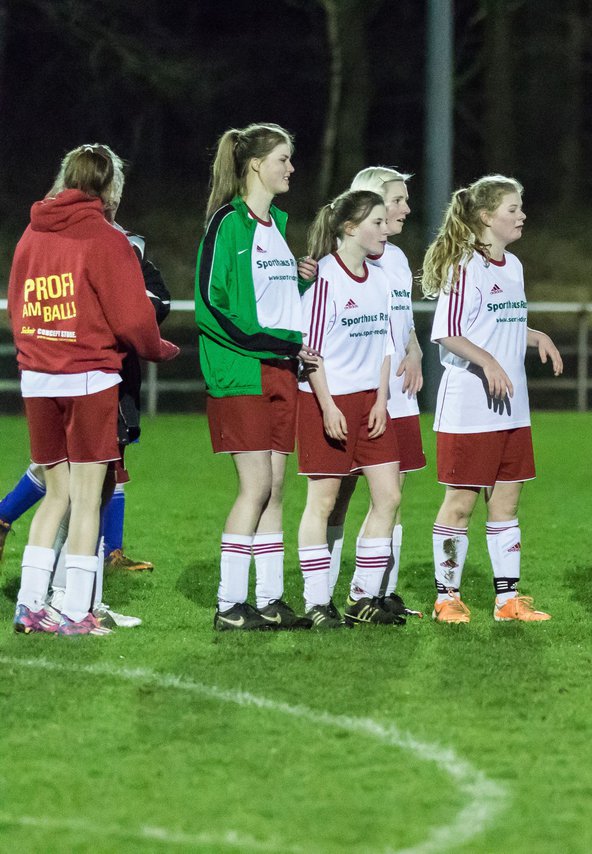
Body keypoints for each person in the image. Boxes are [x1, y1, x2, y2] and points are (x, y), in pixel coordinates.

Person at [8, 143, 178, 635]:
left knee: (55, 493)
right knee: (87, 498)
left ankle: (31, 605)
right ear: (111, 186)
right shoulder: (104, 238)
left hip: (38, 378)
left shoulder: (31, 231)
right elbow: (133, 318)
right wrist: (159, 349)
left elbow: (19, 308)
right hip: (88, 378)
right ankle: (77, 612)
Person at [196, 122, 320, 632]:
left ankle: (268, 598)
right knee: (255, 488)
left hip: (279, 370)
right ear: (255, 165)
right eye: (283, 159)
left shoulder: (274, 227)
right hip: (241, 372)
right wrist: (277, 343)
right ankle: (229, 605)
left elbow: (262, 296)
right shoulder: (228, 223)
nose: (291, 168)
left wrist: (296, 277)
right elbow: (211, 306)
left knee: (274, 489)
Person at [422, 174, 562, 624]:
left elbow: (495, 324)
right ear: (485, 217)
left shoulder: (514, 266)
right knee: (460, 504)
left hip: (511, 408)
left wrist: (534, 334)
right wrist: (489, 363)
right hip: (470, 407)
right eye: (512, 210)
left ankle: (507, 601)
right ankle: (447, 597)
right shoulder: (464, 265)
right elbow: (447, 332)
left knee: (506, 504)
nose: (521, 216)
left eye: (520, 209)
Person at [295, 190, 402, 627]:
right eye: (377, 221)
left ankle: (361, 597)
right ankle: (317, 602)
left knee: (389, 496)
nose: (385, 229)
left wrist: (380, 399)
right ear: (350, 228)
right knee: (322, 502)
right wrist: (329, 406)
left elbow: (384, 346)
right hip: (328, 402)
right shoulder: (323, 277)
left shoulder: (379, 278)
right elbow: (310, 352)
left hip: (369, 404)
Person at [322, 167, 425, 620]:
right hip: (354, 389)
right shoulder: (342, 260)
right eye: (396, 200)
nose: (404, 209)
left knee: (392, 491)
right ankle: (322, 590)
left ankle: (380, 588)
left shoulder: (397, 259)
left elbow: (401, 319)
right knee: (339, 492)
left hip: (395, 391)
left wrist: (416, 347)